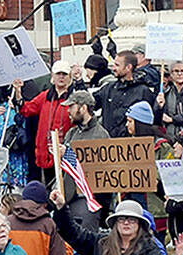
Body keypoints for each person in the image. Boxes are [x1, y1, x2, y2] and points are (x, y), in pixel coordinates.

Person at [60, 90, 110, 231]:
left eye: (72, 107)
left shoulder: (100, 135)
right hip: (69, 196)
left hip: (87, 199)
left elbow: (98, 168)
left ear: (83, 108)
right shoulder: (72, 132)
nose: (68, 111)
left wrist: (68, 154)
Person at [15, 60, 73, 177]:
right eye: (58, 74)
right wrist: (18, 91)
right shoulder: (45, 96)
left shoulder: (75, 97)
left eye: (64, 74)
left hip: (66, 151)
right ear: (52, 76)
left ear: (69, 76)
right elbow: (26, 109)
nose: (61, 77)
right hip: (46, 151)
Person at [96, 52, 156, 139]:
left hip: (132, 145)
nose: (113, 68)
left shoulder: (143, 91)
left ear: (128, 67)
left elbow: (151, 121)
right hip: (109, 144)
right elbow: (90, 103)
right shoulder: (109, 88)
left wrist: (159, 107)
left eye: (117, 65)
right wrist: (78, 83)